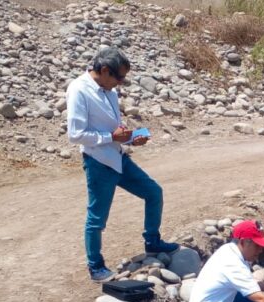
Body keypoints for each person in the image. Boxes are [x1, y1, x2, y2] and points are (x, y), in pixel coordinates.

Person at [66, 46, 179, 283]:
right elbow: (75, 134)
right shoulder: (79, 89)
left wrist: (131, 138)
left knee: (153, 192)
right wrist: (111, 138)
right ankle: (95, 267)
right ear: (105, 71)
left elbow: (113, 130)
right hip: (98, 161)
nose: (121, 83)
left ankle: (152, 241)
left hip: (117, 156)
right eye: (119, 77)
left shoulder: (109, 91)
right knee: (97, 217)